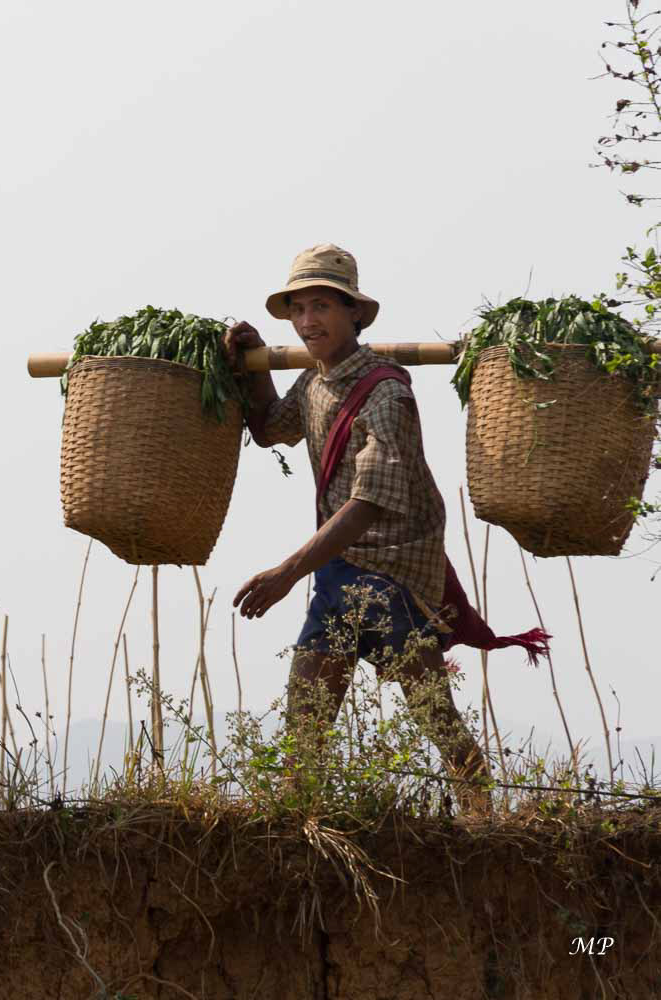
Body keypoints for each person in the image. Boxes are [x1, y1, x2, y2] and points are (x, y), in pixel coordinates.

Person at [223, 244, 548, 811]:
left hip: (391, 567)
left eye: (321, 306)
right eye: (298, 309)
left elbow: (370, 501)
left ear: (354, 314)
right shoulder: (315, 381)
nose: (307, 322)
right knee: (308, 710)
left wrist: (287, 573)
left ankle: (481, 813)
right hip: (340, 566)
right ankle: (295, 821)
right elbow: (272, 427)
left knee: (431, 708)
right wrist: (248, 364)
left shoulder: (385, 392)